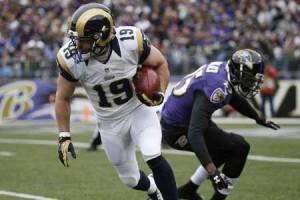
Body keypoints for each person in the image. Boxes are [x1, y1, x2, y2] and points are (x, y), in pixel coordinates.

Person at [55, 3, 178, 200]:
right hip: (108, 123)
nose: (78, 46)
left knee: (152, 153)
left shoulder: (130, 41)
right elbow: (62, 97)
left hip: (137, 110)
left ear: (102, 36)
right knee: (130, 179)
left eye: (84, 41)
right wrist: (64, 135)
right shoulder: (70, 58)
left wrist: (160, 94)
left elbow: (160, 63)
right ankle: (154, 191)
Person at [160, 49, 280, 200]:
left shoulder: (224, 70)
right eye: (249, 78)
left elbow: (232, 96)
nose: (251, 83)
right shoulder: (217, 86)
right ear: (239, 71)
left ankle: (188, 190)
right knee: (239, 147)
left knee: (228, 146)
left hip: (182, 120)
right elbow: (194, 133)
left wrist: (257, 117)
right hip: (177, 129)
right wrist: (213, 172)